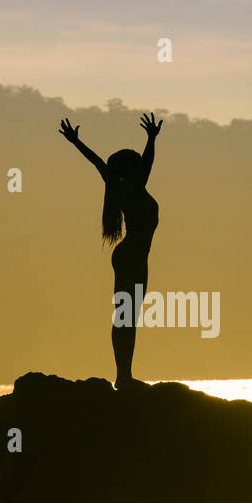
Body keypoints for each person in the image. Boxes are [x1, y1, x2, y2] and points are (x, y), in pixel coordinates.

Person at [59, 111, 163, 388]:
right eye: (137, 164)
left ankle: (124, 374)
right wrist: (151, 139)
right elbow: (144, 162)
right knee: (126, 316)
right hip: (132, 257)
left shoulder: (121, 188)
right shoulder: (134, 188)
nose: (142, 166)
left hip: (131, 256)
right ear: (132, 171)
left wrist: (76, 143)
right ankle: (123, 375)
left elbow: (97, 163)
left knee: (127, 316)